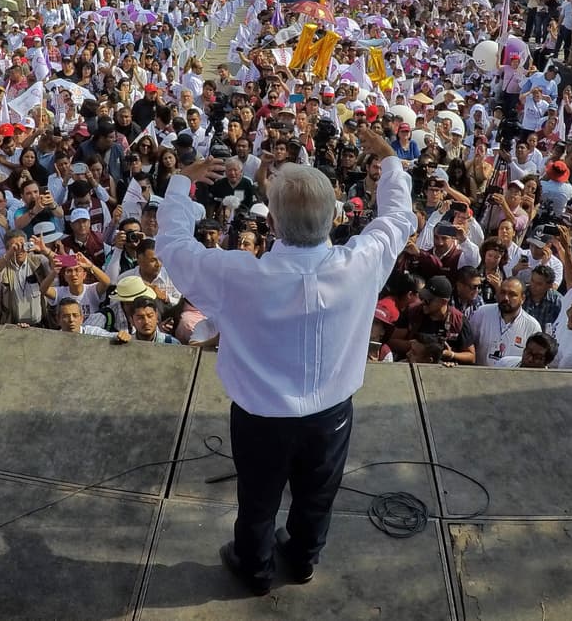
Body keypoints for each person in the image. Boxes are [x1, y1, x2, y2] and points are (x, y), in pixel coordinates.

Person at [155, 126, 415, 594]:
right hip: (332, 415)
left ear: (272, 224)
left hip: (260, 418)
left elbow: (173, 247)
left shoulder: (238, 277)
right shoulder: (362, 263)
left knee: (257, 499)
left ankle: (255, 568)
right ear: (334, 218)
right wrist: (390, 161)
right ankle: (302, 558)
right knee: (318, 495)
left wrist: (181, 182)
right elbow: (398, 217)